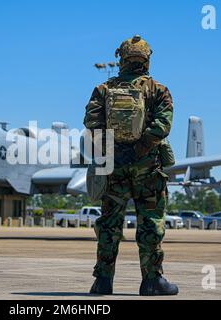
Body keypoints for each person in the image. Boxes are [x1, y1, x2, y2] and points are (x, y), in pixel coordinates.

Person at [84, 35, 179, 296]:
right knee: (150, 222)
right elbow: (163, 126)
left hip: (113, 166)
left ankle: (102, 281)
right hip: (148, 167)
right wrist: (140, 149)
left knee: (109, 223)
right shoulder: (158, 90)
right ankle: (152, 281)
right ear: (147, 59)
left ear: (121, 58)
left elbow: (92, 123)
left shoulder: (103, 90)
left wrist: (116, 151)